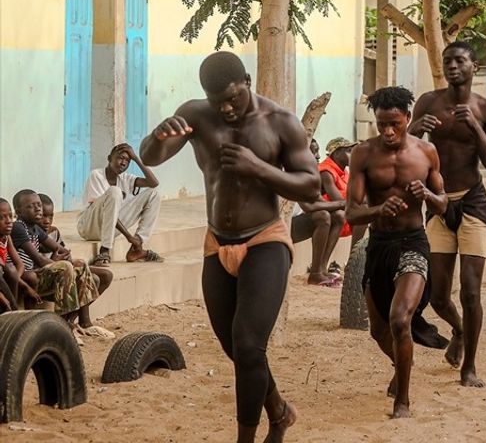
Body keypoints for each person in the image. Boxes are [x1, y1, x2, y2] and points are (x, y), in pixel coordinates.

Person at [140, 51, 318, 442]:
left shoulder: (280, 122)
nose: (226, 107)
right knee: (233, 346)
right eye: (217, 100)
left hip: (264, 241)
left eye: (233, 98)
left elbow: (311, 185)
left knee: (250, 343)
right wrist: (157, 136)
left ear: (248, 81)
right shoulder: (197, 115)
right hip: (216, 243)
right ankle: (279, 410)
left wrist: (259, 168)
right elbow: (153, 155)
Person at [408, 41, 486, 387]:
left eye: (459, 60)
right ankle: (460, 331)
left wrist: (477, 129)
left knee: (471, 292)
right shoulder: (428, 103)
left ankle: (470, 367)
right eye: (447, 60)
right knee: (437, 295)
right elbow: (406, 148)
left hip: (473, 203)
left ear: (473, 67)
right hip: (437, 203)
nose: (452, 66)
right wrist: (415, 130)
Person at [347, 86, 447, 415]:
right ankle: (401, 363)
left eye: (395, 124)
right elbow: (351, 212)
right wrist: (377, 210)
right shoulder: (362, 154)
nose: (388, 131)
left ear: (408, 117)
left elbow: (443, 203)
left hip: (413, 242)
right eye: (381, 125)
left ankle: (402, 400)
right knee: (378, 331)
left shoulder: (426, 153)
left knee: (399, 319)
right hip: (379, 245)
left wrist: (428, 197)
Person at [12, 189, 112, 336]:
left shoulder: (35, 229)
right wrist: (56, 261)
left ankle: (78, 322)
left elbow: (62, 250)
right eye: (31, 206)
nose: (38, 209)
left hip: (39, 273)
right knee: (65, 267)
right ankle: (64, 326)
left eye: (38, 204)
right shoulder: (19, 227)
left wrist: (63, 257)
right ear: (19, 212)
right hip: (28, 277)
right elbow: (38, 259)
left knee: (80, 264)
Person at [78, 142, 164, 265]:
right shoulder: (96, 175)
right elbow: (106, 211)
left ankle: (137, 248)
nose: (123, 163)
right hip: (90, 227)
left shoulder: (125, 178)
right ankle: (105, 250)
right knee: (115, 191)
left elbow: (153, 183)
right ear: (109, 159)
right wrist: (129, 236)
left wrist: (136, 158)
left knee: (153, 194)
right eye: (120, 158)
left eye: (128, 161)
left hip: (110, 228)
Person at [290, 138, 353, 286]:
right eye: (313, 152)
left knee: (338, 216)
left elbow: (319, 201)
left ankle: (320, 268)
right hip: (282, 228)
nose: (318, 156)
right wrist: (343, 203)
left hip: (296, 222)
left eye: (317, 151)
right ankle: (316, 274)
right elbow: (309, 207)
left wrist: (341, 205)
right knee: (323, 216)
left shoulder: (309, 174)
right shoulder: (295, 173)